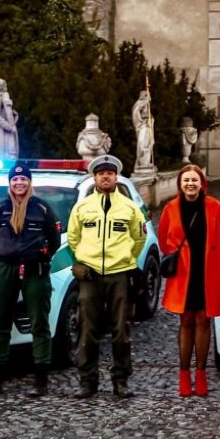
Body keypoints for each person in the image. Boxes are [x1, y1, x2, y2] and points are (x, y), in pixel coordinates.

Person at [67, 154, 147, 399]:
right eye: (101, 173)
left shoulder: (130, 208)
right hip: (90, 276)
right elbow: (73, 238)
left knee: (120, 331)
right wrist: (81, 260)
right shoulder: (82, 207)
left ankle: (120, 380)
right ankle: (87, 381)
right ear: (94, 177)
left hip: (119, 275)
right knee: (88, 329)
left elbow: (139, 239)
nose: (105, 177)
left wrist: (125, 260)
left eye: (110, 173)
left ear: (116, 177)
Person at [0, 162, 62, 398]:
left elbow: (54, 239)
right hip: (5, 269)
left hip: (34, 270)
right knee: (0, 323)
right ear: (10, 183)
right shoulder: (0, 209)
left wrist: (41, 254)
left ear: (29, 182)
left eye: (23, 180)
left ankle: (40, 379)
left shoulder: (42, 209)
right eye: (15, 180)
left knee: (39, 322)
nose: (19, 183)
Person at [158, 165, 220, 397]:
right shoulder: (170, 208)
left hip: (207, 271)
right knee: (186, 320)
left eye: (195, 180)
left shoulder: (215, 206)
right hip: (183, 273)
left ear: (202, 184)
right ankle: (183, 374)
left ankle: (200, 374)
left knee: (203, 320)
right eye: (186, 180)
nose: (190, 184)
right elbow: (163, 239)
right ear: (180, 184)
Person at [132, 90, 154, 171]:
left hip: (148, 126)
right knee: (142, 144)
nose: (147, 97)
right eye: (146, 95)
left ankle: (146, 162)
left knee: (149, 143)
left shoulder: (147, 105)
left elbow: (150, 116)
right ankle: (142, 162)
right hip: (142, 126)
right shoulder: (139, 103)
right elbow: (135, 114)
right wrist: (146, 102)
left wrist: (150, 119)